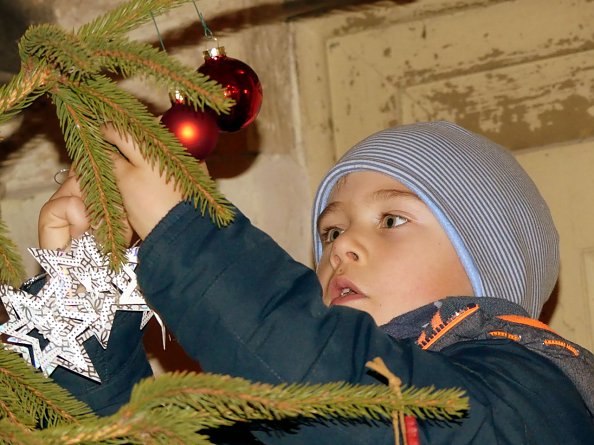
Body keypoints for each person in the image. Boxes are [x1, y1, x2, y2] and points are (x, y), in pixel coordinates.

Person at [35, 121, 594, 443]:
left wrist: (190, 235)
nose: (341, 246)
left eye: (392, 220)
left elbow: (358, 399)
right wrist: (81, 299)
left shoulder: (536, 393)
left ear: (487, 267)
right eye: (329, 231)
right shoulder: (276, 416)